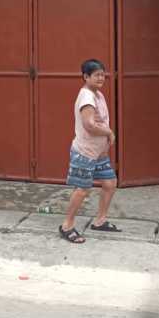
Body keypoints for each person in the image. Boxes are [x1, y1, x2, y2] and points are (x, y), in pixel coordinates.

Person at [59, 59, 120, 244]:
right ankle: (66, 226)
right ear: (86, 77)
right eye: (96, 75)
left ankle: (100, 221)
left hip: (99, 153)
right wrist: (109, 132)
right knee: (82, 189)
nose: (101, 78)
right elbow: (89, 125)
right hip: (85, 152)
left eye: (102, 74)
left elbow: (97, 121)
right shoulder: (86, 97)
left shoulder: (97, 94)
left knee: (110, 182)